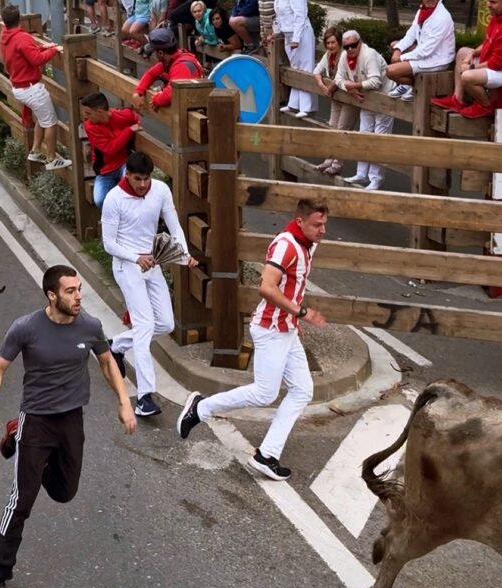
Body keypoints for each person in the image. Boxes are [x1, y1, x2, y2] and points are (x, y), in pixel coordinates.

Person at [0, 264, 137, 588]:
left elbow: (107, 363)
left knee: (65, 492)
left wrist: (125, 403)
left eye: (79, 289)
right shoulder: (26, 328)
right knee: (22, 501)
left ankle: (18, 440)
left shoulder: (90, 326)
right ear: (52, 295)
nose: (78, 296)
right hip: (36, 421)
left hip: (71, 420)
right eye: (70, 291)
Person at [177, 198, 327, 481]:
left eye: (324, 224)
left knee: (302, 390)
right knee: (265, 393)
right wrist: (301, 312)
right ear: (300, 222)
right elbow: (266, 287)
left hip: (285, 329)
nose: (323, 230)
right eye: (317, 224)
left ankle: (267, 455)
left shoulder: (308, 243)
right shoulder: (286, 246)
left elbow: (291, 287)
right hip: (271, 330)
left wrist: (294, 320)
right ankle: (201, 407)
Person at [101, 152, 198, 417]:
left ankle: (116, 346)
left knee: (165, 324)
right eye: (137, 179)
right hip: (127, 265)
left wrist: (184, 254)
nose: (143, 184)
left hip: (153, 262)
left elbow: (175, 228)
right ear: (127, 175)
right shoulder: (114, 199)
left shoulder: (161, 190)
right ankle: (145, 397)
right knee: (144, 326)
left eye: (146, 179)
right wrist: (136, 258)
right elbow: (108, 243)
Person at [431, 0, 502, 119]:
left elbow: (498, 63)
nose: (488, 4)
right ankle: (457, 99)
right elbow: (488, 42)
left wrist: (471, 67)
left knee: (467, 76)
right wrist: (473, 53)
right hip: (499, 64)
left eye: (493, 2)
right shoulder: (499, 17)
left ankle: (486, 105)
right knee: (463, 52)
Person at [0, 4, 71, 170]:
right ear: (19, 19)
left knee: (41, 119)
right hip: (31, 88)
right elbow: (37, 59)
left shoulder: (5, 37)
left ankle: (36, 150)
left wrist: (41, 48)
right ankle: (51, 159)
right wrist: (54, 50)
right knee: (51, 122)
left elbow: (21, 54)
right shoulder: (22, 37)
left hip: (19, 87)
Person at [334, 30, 395, 191]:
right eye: (346, 46)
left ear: (360, 43)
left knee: (379, 137)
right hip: (365, 99)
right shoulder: (344, 57)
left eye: (353, 45)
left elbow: (376, 81)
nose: (350, 49)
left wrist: (355, 86)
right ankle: (361, 173)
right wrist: (349, 89)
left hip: (383, 98)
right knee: (364, 134)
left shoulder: (369, 55)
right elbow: (338, 78)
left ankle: (376, 178)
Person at [80, 91, 142, 208]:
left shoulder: (121, 115)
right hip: (105, 171)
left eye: (88, 113)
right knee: (100, 200)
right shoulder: (90, 126)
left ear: (99, 112)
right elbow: (110, 149)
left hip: (124, 163)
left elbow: (135, 117)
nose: (85, 116)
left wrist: (136, 125)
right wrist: (128, 130)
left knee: (131, 187)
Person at [386, 0, 455, 103]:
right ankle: (407, 86)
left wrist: (401, 58)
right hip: (425, 52)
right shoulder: (422, 11)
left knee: (390, 71)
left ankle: (414, 87)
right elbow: (411, 34)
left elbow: (427, 50)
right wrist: (398, 50)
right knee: (394, 45)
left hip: (437, 59)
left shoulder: (442, 17)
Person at [313, 27, 358, 176]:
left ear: (339, 42)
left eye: (333, 42)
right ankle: (329, 159)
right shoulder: (327, 56)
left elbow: (340, 76)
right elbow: (317, 71)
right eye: (328, 43)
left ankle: (338, 163)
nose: (330, 46)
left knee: (342, 129)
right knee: (332, 127)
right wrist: (322, 85)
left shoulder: (345, 55)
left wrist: (329, 89)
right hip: (336, 98)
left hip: (348, 97)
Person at [132, 28, 204, 111]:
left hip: (194, 111)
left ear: (161, 53)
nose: (154, 54)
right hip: (184, 107)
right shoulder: (171, 60)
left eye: (154, 51)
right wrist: (139, 91)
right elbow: (151, 74)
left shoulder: (181, 66)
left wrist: (156, 100)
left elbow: (169, 94)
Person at [270, 0, 317, 118]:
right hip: (287, 35)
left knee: (305, 68)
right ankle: (294, 104)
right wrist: (276, 32)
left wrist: (296, 38)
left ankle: (307, 107)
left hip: (302, 34)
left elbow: (300, 15)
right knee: (295, 68)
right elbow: (279, 15)